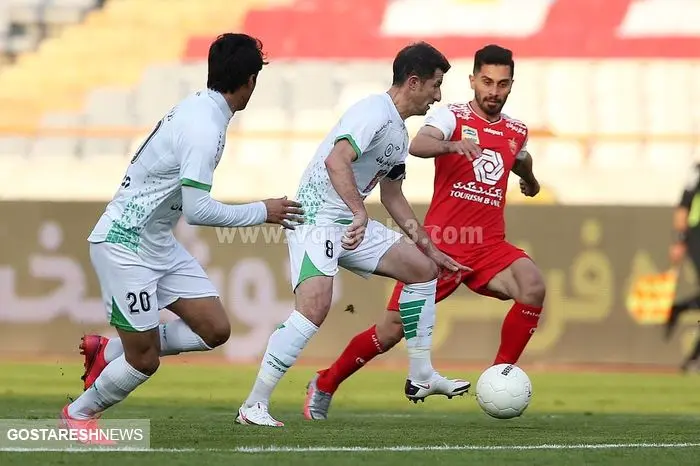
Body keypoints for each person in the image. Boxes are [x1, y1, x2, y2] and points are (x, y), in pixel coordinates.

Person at [61, 33, 304, 435]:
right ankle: (79, 415)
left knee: (214, 329)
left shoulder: (200, 108)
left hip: (155, 240)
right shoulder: (204, 127)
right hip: (125, 242)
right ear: (250, 81)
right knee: (144, 361)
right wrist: (264, 211)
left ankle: (110, 349)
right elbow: (197, 211)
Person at [235, 42, 478, 427]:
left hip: (349, 221)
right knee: (314, 308)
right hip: (316, 217)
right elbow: (337, 160)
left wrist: (430, 248)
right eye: (435, 85)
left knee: (422, 270)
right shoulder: (372, 112)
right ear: (413, 82)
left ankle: (421, 374)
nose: (438, 95)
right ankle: (254, 405)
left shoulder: (398, 133)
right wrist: (358, 211)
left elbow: (394, 195)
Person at [303, 44, 546, 420]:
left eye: (502, 84)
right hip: (443, 246)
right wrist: (454, 146)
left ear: (512, 85)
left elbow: (520, 156)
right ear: (472, 81)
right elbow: (419, 143)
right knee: (389, 332)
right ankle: (325, 382)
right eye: (486, 82)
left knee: (532, 286)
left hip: (490, 247)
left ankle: (499, 377)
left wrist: (529, 180)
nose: (493, 91)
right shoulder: (452, 116)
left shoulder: (517, 130)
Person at [664, 161, 700, 372]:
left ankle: (680, 308)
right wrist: (679, 240)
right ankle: (693, 360)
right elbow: (684, 205)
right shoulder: (697, 171)